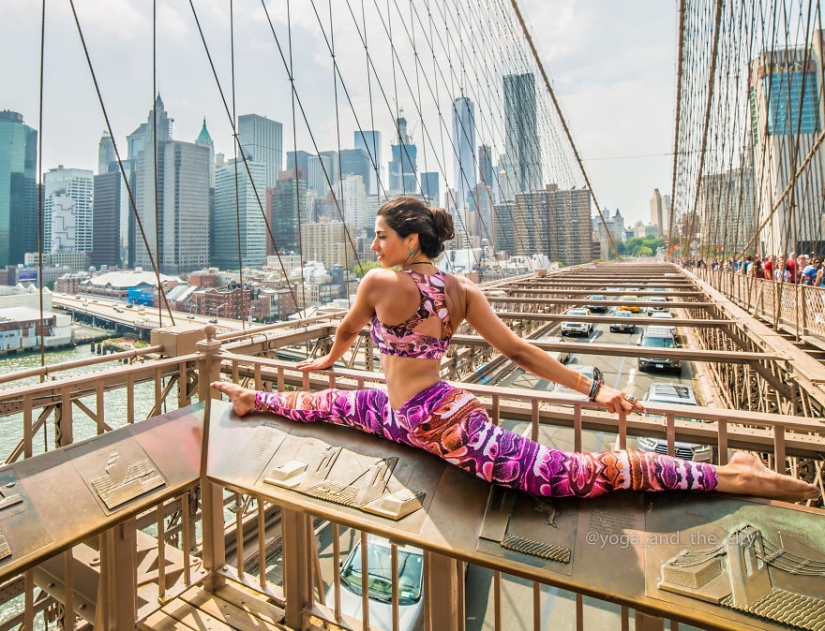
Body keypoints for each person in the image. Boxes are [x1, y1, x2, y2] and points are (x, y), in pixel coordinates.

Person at [214, 197, 818, 503]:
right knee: (321, 407)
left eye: (380, 235)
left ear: (412, 239)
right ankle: (249, 399)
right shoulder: (462, 291)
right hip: (401, 411)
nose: (373, 244)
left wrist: (328, 359)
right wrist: (593, 388)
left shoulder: (381, 284)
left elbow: (346, 332)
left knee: (566, 476)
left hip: (438, 422)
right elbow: (523, 352)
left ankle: (730, 474)